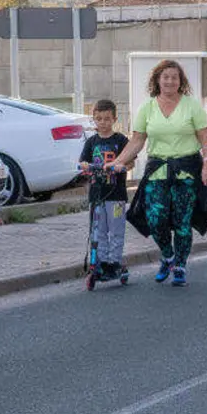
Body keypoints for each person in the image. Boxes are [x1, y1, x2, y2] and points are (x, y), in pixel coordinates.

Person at [110, 60, 207, 288]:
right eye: (165, 77)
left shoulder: (191, 106)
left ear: (181, 82)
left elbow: (205, 138)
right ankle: (168, 256)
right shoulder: (147, 108)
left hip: (186, 172)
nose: (170, 81)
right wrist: (118, 162)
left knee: (182, 223)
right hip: (157, 171)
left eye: (174, 77)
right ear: (158, 80)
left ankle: (180, 266)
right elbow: (137, 140)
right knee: (155, 219)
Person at [79, 99, 131, 285]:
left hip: (116, 195)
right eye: (99, 119)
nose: (103, 122)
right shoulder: (91, 142)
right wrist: (84, 165)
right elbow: (83, 162)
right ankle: (100, 263)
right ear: (94, 119)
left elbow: (130, 160)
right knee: (98, 230)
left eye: (107, 119)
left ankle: (114, 262)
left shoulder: (120, 140)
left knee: (116, 229)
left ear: (114, 119)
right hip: (97, 195)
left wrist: (121, 165)